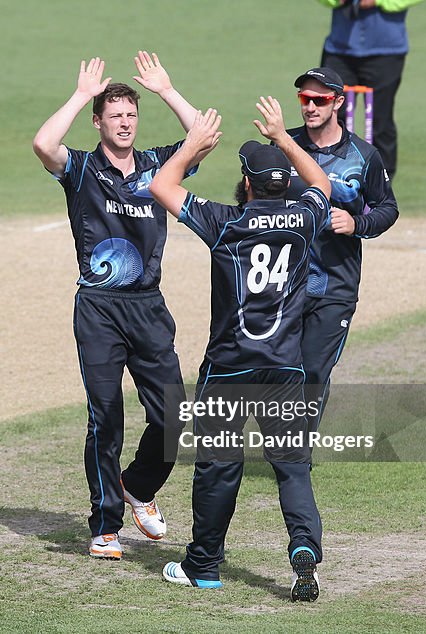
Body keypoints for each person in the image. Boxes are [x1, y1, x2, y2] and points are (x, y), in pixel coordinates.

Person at [149, 99, 331, 600]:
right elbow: (323, 187)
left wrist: (191, 148)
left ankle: (204, 564)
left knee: (218, 468)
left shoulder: (226, 222)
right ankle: (304, 549)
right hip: (285, 370)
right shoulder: (304, 217)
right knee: (292, 467)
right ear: (284, 183)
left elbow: (161, 186)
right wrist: (287, 139)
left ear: (247, 183)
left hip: (230, 369)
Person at [32, 52, 198, 559]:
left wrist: (168, 90)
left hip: (149, 307)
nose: (125, 123)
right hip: (100, 308)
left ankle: (139, 487)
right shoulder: (81, 169)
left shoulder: (156, 167)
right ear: (99, 123)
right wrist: (82, 94)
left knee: (173, 416)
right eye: (115, 116)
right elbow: (43, 143)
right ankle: (105, 526)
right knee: (105, 417)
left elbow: (203, 136)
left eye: (131, 115)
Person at [287, 67, 399, 439]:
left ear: (338, 103)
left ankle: (296, 451)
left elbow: (387, 208)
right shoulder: (284, 146)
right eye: (305, 99)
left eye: (319, 100)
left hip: (336, 284)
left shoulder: (364, 156)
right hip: (285, 280)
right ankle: (285, 440)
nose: (310, 106)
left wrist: (357, 224)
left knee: (315, 370)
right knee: (284, 369)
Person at [316, 0, 424, 180]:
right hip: (339, 51)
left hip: (386, 51)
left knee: (380, 120)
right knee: (328, 116)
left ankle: (382, 189)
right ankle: (326, 181)